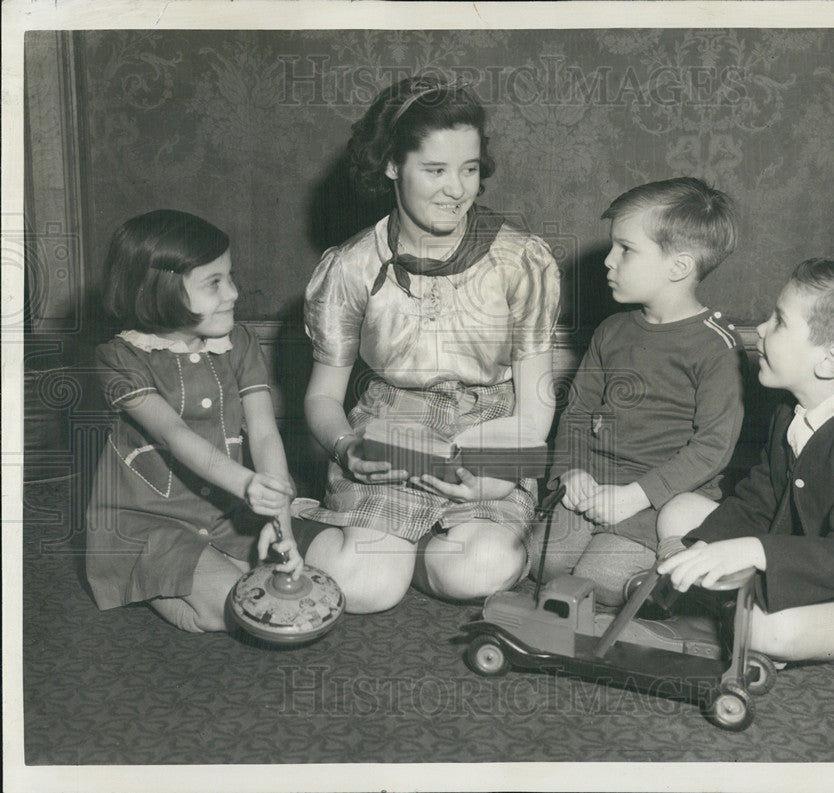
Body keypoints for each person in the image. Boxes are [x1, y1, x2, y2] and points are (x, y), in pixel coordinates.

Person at [301, 76, 560, 613]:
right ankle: (347, 543)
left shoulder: (522, 260)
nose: (457, 190)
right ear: (393, 165)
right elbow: (322, 398)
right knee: (364, 590)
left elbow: (535, 406)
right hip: (391, 432)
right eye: (435, 170)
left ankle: (407, 547)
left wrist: (488, 480)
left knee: (478, 570)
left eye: (468, 169)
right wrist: (347, 446)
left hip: (493, 430)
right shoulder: (349, 266)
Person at [657, 258, 834, 674]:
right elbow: (759, 499)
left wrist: (751, 549)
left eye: (778, 321)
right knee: (680, 509)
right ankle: (709, 588)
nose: (759, 329)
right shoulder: (791, 412)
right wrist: (701, 545)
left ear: (829, 362)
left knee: (765, 630)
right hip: (807, 548)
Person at [86, 209, 303, 633]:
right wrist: (247, 484)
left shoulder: (238, 342)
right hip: (148, 521)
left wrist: (282, 522)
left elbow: (263, 431)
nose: (234, 293)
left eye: (231, 277)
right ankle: (151, 585)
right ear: (160, 291)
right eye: (214, 283)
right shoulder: (118, 357)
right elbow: (175, 433)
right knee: (236, 610)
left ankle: (201, 569)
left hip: (223, 514)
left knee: (267, 591)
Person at [530, 177, 743, 606]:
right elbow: (576, 412)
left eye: (625, 249)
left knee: (602, 580)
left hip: (660, 498)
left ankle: (667, 577)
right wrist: (571, 472)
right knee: (541, 562)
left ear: (678, 267)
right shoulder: (612, 331)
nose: (609, 260)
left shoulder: (717, 347)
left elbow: (713, 448)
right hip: (593, 482)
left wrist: (636, 497)